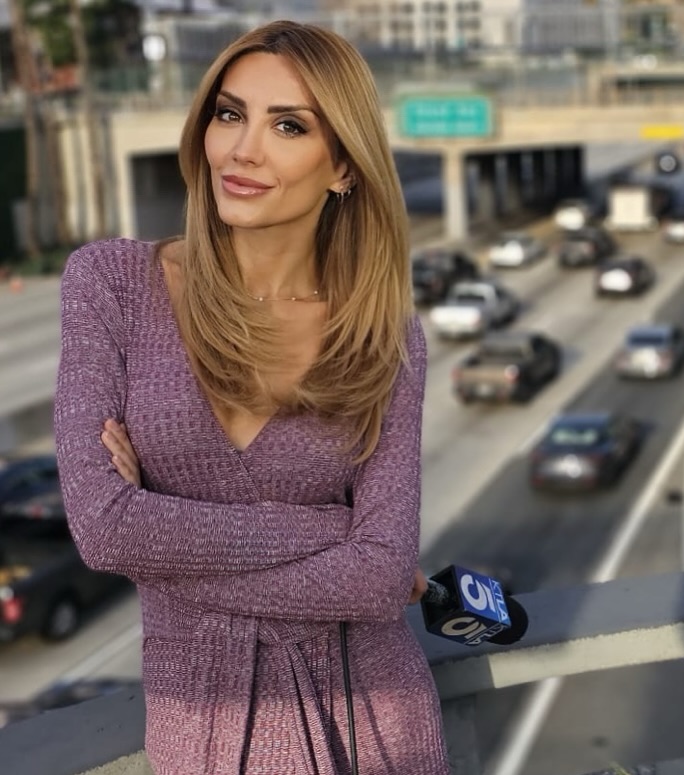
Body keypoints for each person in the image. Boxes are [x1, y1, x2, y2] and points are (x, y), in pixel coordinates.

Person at [54, 19, 450, 775]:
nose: (242, 149)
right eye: (230, 114)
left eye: (288, 125)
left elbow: (378, 578)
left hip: (373, 715)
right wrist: (334, 532)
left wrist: (162, 539)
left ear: (343, 166)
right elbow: (103, 529)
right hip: (203, 723)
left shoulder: (385, 336)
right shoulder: (110, 283)